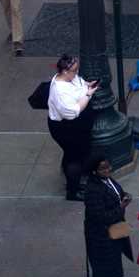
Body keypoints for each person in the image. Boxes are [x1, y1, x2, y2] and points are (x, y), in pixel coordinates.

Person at [83, 152, 132, 277]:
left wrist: (124, 196)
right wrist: (122, 207)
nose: (108, 170)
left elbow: (117, 192)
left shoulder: (107, 181)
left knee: (113, 259)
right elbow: (101, 216)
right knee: (103, 264)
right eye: (103, 168)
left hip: (114, 230)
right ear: (95, 171)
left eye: (108, 166)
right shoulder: (93, 190)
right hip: (100, 235)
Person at [47, 53, 97, 201]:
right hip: (66, 129)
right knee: (74, 158)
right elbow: (73, 111)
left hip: (76, 127)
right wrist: (88, 95)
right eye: (74, 70)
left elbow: (79, 84)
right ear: (64, 71)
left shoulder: (71, 77)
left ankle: (72, 180)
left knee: (72, 154)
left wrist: (87, 85)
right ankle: (72, 191)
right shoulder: (60, 91)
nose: (77, 73)